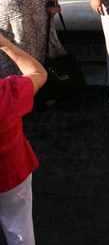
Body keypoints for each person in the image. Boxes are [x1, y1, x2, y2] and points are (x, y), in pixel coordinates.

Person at [0, 34, 47, 245]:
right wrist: (6, 44)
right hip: (11, 171)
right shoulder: (7, 92)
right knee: (18, 224)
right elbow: (37, 72)